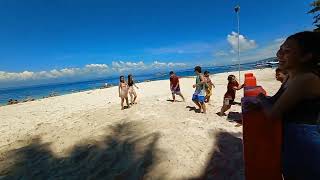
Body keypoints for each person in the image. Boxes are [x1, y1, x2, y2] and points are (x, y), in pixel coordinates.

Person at [254, 31, 320, 179]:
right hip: (292, 138)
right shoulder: (291, 76)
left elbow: (272, 113)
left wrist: (260, 98)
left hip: (305, 142)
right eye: (280, 49)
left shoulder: (306, 79)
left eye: (287, 51)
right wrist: (263, 102)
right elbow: (276, 101)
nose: (279, 54)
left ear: (306, 56)